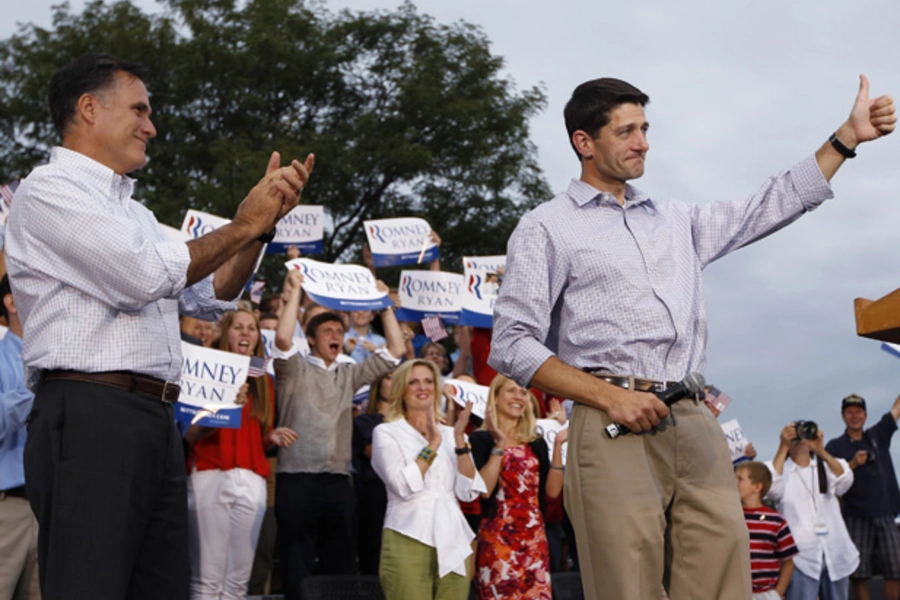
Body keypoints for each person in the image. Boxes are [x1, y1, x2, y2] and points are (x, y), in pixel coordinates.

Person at [487, 75, 895, 600]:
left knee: (724, 575)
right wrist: (612, 397)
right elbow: (512, 342)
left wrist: (846, 139)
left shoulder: (676, 219)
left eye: (646, 128)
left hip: (693, 417)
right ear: (583, 143)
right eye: (627, 131)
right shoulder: (546, 227)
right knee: (628, 585)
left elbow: (768, 204)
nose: (643, 142)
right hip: (611, 421)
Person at [6, 53, 314, 599]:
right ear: (88, 108)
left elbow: (213, 292)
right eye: (139, 110)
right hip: (89, 415)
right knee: (89, 586)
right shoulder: (48, 191)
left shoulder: (137, 214)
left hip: (153, 420)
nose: (151, 126)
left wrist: (261, 229)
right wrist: (243, 223)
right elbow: (143, 276)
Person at [273, 269, 405, 599]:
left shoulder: (349, 373)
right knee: (296, 564)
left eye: (339, 330)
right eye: (328, 330)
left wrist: (384, 304)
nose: (335, 334)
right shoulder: (293, 368)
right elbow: (283, 340)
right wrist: (297, 292)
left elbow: (395, 350)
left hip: (337, 481)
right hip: (296, 478)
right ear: (313, 338)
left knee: (341, 565)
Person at [182, 309, 298, 599]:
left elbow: (257, 436)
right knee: (206, 580)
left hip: (252, 478)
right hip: (209, 471)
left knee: (237, 583)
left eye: (252, 328)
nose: (246, 333)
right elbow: (189, 434)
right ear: (225, 333)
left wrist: (270, 437)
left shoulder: (264, 381)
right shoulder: (202, 368)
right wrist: (223, 407)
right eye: (238, 327)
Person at [371, 359, 485, 600]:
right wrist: (432, 445)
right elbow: (403, 486)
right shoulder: (386, 432)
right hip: (408, 534)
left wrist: (460, 443)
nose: (422, 387)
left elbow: (469, 492)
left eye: (428, 381)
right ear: (401, 389)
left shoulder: (452, 433)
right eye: (413, 382)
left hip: (452, 537)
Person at [469, 374, 566, 600]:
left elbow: (552, 492)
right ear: (495, 397)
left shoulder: (536, 441)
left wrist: (559, 446)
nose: (518, 397)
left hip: (533, 538)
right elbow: (484, 489)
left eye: (523, 392)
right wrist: (500, 444)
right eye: (511, 391)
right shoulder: (481, 439)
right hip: (497, 539)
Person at [767, 424, 858, 600]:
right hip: (801, 556)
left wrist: (820, 450)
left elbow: (845, 481)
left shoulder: (826, 466)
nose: (801, 439)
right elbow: (771, 488)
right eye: (795, 435)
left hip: (835, 550)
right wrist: (783, 445)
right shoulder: (779, 469)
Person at [826, 393, 900, 600]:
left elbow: (897, 409)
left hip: (886, 514)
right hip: (854, 516)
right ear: (843, 416)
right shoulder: (835, 446)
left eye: (858, 412)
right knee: (859, 575)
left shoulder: (878, 434)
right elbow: (828, 480)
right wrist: (853, 464)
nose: (854, 416)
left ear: (865, 415)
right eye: (849, 412)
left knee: (895, 572)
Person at [0, 275, 39, 599]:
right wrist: (38, 382)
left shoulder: (63, 363)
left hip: (50, 508)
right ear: (11, 303)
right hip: (7, 508)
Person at [735, 461, 798, 600]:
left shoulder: (775, 521)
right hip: (734, 592)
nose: (734, 483)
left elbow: (788, 560)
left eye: (740, 479)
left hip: (765, 593)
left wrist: (778, 593)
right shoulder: (731, 518)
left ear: (757, 487)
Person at [353, 370, 394, 575]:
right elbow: (377, 453)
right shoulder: (365, 421)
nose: (394, 383)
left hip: (405, 500)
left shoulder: (413, 424)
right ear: (379, 383)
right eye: (389, 377)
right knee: (373, 558)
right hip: (374, 498)